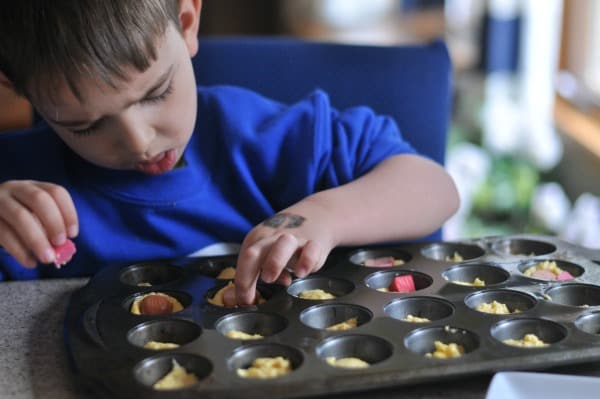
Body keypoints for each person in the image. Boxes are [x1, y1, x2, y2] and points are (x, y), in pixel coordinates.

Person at [0, 0, 459, 306]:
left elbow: (434, 188)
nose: (139, 140)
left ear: (186, 24)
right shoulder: (16, 195)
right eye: (87, 125)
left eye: (156, 93)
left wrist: (326, 216)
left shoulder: (271, 137)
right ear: (22, 93)